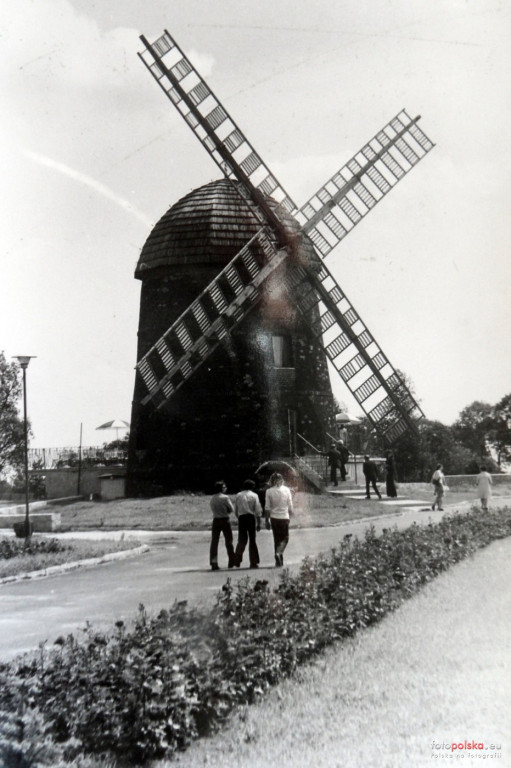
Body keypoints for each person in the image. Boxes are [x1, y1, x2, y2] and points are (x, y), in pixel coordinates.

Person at [265, 472, 293, 567]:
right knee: (285, 538)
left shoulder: (269, 491)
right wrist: (291, 515)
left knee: (276, 539)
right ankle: (278, 553)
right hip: (284, 517)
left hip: (274, 518)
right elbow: (290, 505)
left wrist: (266, 520)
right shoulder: (287, 490)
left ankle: (278, 562)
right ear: (282, 480)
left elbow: (267, 507)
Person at [234, 479, 262, 568]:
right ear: (252, 487)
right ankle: (253, 562)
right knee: (252, 540)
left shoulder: (239, 495)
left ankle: (237, 558)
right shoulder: (254, 495)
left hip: (241, 517)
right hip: (250, 518)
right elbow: (257, 510)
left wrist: (239, 517)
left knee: (242, 539)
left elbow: (236, 509)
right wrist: (259, 523)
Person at [209, 480, 236, 571]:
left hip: (216, 520)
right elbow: (231, 509)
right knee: (229, 541)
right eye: (224, 487)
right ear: (221, 488)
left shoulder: (213, 498)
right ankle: (231, 560)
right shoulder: (225, 497)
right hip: (225, 519)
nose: (225, 488)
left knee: (214, 542)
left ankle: (214, 562)